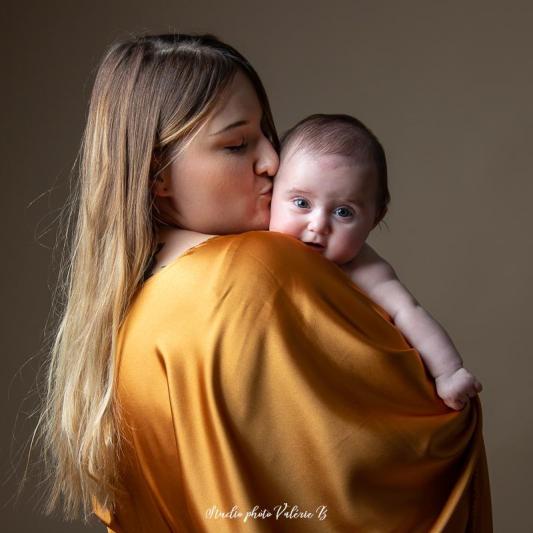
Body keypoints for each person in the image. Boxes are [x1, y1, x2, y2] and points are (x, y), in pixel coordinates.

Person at [34, 33, 492, 532]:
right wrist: (453, 413)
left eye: (266, 134)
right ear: (157, 174)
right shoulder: (258, 271)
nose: (273, 160)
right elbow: (400, 450)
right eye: (237, 144)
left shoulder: (131, 319)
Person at [269, 114, 483, 411]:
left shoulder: (365, 269)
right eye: (302, 203)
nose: (318, 225)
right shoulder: (255, 244)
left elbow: (409, 313)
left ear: (375, 218)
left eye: (343, 212)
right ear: (269, 194)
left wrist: (449, 372)